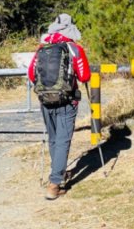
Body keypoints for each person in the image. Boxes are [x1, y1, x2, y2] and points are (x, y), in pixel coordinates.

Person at [27, 13, 91, 200]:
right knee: (63, 140)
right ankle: (55, 184)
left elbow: (31, 74)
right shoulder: (73, 48)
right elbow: (85, 75)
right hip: (67, 100)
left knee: (54, 139)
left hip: (45, 100)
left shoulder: (42, 47)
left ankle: (58, 173)